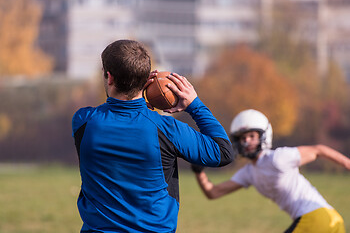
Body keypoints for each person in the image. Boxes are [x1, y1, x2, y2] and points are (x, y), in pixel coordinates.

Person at [72, 39, 235, 233]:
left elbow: (121, 118)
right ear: (145, 78)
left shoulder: (82, 121)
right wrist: (195, 105)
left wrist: (141, 105)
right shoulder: (166, 129)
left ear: (109, 77)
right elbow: (223, 152)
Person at [192, 109, 350, 233]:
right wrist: (199, 171)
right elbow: (213, 192)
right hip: (332, 221)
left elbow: (318, 150)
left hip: (317, 217)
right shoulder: (248, 173)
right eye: (242, 138)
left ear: (264, 136)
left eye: (252, 136)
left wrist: (347, 163)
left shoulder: (277, 158)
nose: (246, 141)